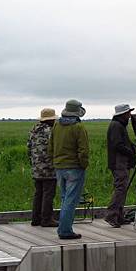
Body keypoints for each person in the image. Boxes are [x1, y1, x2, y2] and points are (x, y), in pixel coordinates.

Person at [48, 99, 89, 239]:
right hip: (74, 168)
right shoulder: (78, 127)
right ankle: (65, 230)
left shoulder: (56, 126)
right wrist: (83, 165)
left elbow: (50, 146)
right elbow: (83, 150)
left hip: (59, 166)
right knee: (71, 200)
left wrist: (55, 161)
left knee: (65, 198)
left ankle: (64, 228)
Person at [105, 103, 136, 227]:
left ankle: (119, 216)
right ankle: (112, 215)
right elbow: (117, 145)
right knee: (120, 189)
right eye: (128, 113)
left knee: (122, 189)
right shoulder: (116, 126)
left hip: (121, 162)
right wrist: (130, 152)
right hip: (119, 163)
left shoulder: (118, 125)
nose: (129, 116)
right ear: (123, 114)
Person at [27, 108, 59, 227]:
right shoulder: (51, 131)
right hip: (49, 168)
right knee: (48, 193)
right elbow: (55, 148)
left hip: (36, 167)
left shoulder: (33, 130)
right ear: (50, 120)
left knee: (38, 193)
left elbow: (28, 148)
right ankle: (46, 219)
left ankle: (35, 219)